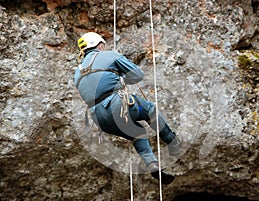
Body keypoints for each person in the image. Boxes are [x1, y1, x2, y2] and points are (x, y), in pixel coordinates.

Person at [74, 32, 181, 185]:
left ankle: (152, 164)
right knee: (150, 110)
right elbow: (138, 75)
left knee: (137, 133)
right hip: (117, 105)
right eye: (103, 45)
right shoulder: (110, 55)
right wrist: (122, 78)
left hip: (99, 118)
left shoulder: (78, 71)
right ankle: (172, 141)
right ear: (98, 44)